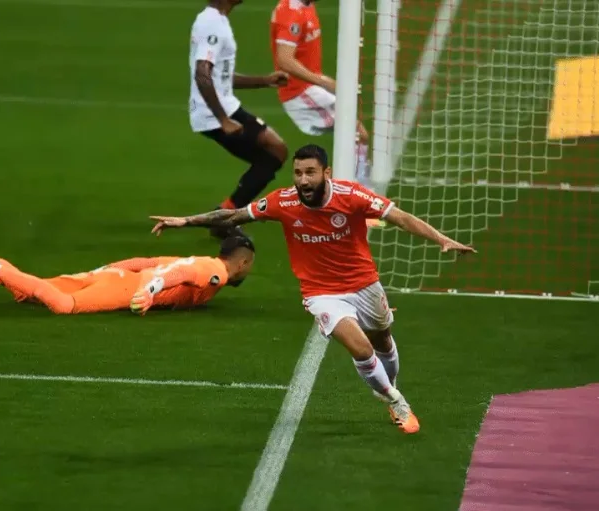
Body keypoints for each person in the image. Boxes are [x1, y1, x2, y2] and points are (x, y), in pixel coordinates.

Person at [149, 144, 476, 433]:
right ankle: (397, 401)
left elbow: (400, 217)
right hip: (321, 293)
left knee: (382, 339)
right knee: (361, 349)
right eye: (298, 173)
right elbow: (234, 215)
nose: (303, 180)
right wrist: (187, 221)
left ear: (326, 172)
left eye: (310, 173)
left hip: (364, 284)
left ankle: (388, 387)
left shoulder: (352, 196)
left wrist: (441, 239)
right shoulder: (283, 201)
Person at [0, 229, 256, 315]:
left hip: (117, 277)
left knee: (29, 292)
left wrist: (101, 270)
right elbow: (178, 274)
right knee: (63, 306)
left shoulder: (199, 260)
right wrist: (150, 292)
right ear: (242, 261)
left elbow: (145, 260)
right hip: (126, 289)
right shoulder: (215, 272)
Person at [190, 0, 291, 239]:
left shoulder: (218, 20)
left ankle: (225, 215)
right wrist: (223, 120)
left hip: (224, 107)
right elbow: (202, 74)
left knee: (274, 153)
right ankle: (224, 217)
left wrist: (264, 80)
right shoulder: (212, 23)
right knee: (275, 151)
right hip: (215, 114)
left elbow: (221, 77)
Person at [270, 0, 373, 190]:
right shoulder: (291, 13)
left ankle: (355, 192)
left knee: (357, 135)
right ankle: (356, 194)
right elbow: (284, 59)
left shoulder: (306, 5)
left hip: (310, 88)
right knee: (358, 135)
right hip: (300, 94)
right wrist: (322, 81)